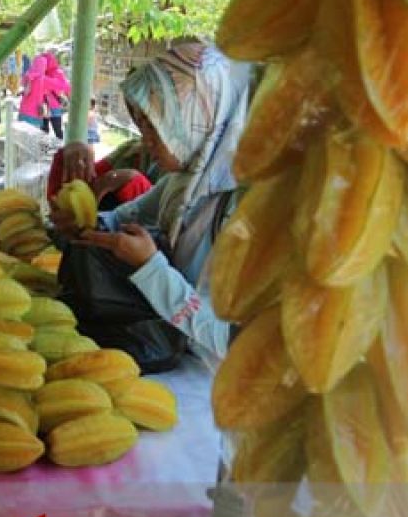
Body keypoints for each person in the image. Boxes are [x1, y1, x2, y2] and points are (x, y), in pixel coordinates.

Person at [52, 38, 249, 373]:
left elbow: (231, 340)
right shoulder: (183, 182)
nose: (145, 141)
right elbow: (121, 219)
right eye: (140, 125)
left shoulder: (245, 209)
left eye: (154, 127)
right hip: (165, 358)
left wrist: (151, 269)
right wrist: (87, 226)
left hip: (212, 384)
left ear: (195, 119)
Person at [18, 51, 70, 138]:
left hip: (23, 113)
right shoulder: (43, 79)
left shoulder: (27, 76)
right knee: (34, 140)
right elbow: (64, 86)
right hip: (35, 114)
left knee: (24, 139)